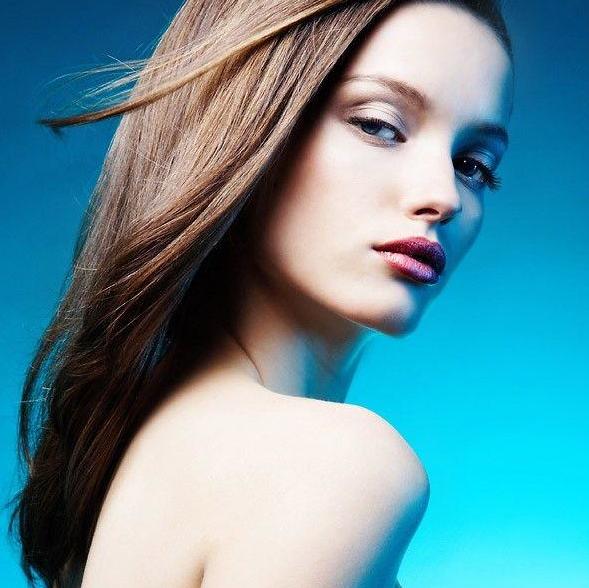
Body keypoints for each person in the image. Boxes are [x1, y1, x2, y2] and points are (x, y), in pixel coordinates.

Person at [8, 0, 513, 586]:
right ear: (249, 129)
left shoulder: (135, 452)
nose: (445, 196)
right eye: (378, 125)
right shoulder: (333, 468)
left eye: (474, 165)